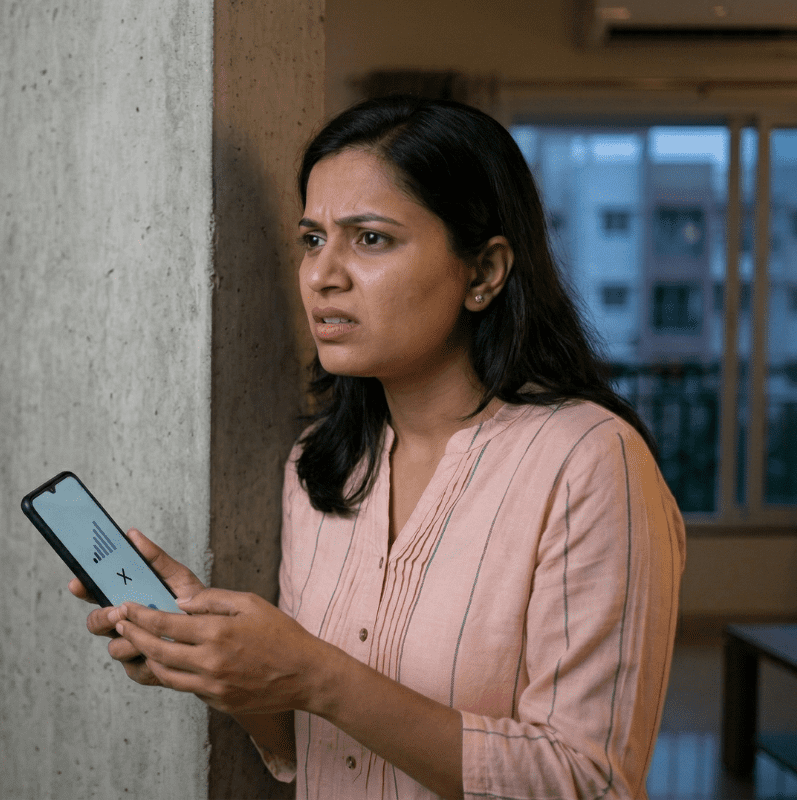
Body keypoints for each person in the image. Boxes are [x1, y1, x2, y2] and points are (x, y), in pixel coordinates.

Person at [69, 95, 685, 799]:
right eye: (311, 239)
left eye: (370, 239)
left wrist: (318, 675)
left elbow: (590, 781)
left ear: (483, 272)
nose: (322, 276)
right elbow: (311, 751)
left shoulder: (588, 461)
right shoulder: (319, 463)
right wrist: (226, 669)